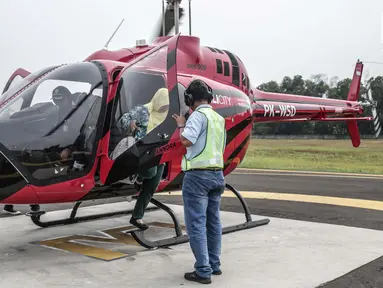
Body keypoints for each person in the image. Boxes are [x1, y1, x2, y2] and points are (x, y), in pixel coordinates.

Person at [172, 79, 226, 284]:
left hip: (197, 177)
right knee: (214, 222)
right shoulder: (218, 118)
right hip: (217, 175)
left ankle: (203, 270)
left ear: (190, 99)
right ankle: (215, 264)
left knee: (196, 223)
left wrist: (181, 125)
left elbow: (186, 141)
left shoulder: (197, 116)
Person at [117, 88, 170, 230]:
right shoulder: (143, 110)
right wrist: (130, 124)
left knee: (152, 186)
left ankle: (137, 217)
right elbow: (123, 119)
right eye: (164, 104)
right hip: (142, 150)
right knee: (150, 172)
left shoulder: (168, 115)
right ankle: (138, 178)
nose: (166, 107)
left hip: (160, 151)